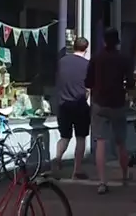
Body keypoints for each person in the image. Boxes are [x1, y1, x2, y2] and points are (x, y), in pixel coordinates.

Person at [85, 27, 134, 194]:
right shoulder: (124, 59)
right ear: (118, 42)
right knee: (121, 142)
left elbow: (88, 82)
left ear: (104, 41)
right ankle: (125, 174)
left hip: (100, 103)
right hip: (118, 103)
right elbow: (131, 82)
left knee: (100, 142)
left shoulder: (96, 59)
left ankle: (102, 181)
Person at [52, 37, 91, 179]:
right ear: (86, 49)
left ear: (73, 47)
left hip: (63, 104)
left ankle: (57, 159)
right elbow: (89, 85)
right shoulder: (88, 64)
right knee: (81, 137)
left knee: (64, 137)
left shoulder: (62, 62)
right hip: (80, 105)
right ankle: (77, 170)